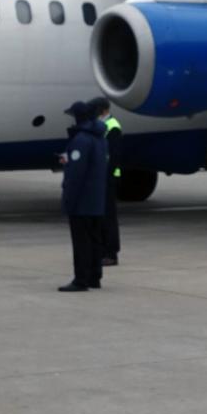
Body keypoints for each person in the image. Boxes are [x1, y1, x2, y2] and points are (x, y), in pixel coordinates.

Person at [57, 99, 108, 292]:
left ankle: (81, 279)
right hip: (96, 199)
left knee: (81, 242)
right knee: (95, 239)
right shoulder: (100, 138)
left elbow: (76, 175)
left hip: (82, 201)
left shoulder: (80, 141)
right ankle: (95, 276)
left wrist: (68, 199)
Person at [91, 97, 123, 268]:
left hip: (108, 177)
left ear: (103, 111)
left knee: (109, 217)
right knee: (100, 216)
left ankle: (111, 253)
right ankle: (102, 250)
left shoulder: (113, 127)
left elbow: (114, 156)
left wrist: (107, 175)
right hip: (101, 177)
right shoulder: (100, 126)